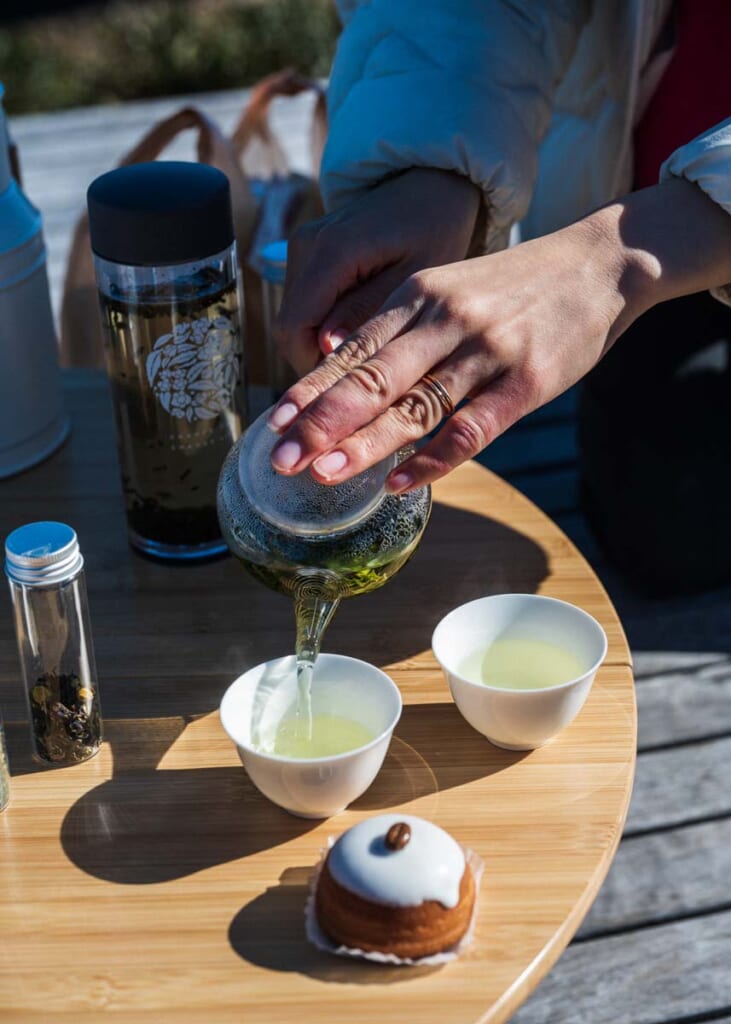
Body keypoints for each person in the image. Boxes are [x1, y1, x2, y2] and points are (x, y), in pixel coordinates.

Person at [270, 1, 731, 593]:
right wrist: (430, 166)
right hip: (641, 186)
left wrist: (615, 257)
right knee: (664, 522)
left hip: (661, 232)